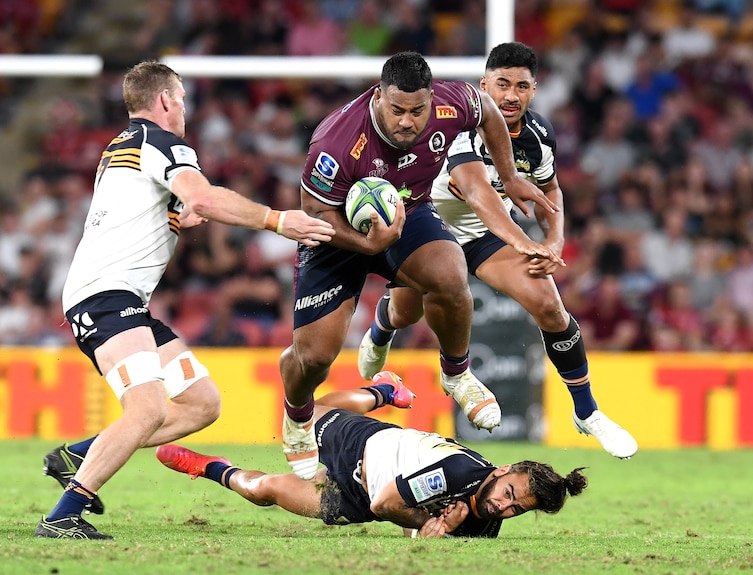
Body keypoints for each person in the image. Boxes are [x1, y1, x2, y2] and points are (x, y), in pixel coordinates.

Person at [35, 61, 336, 540]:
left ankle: (79, 453)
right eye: (182, 100)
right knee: (148, 409)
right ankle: (63, 515)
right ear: (166, 101)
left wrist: (196, 213)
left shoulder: (120, 148)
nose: (185, 110)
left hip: (123, 298)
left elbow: (175, 211)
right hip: (107, 296)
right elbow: (204, 200)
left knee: (201, 403)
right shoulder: (163, 144)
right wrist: (279, 221)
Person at [280, 51, 563, 480]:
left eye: (418, 110)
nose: (408, 122)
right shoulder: (336, 142)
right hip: (334, 234)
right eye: (397, 111)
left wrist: (507, 175)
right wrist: (365, 241)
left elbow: (485, 109)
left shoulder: (452, 103)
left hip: (407, 213)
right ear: (379, 98)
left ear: (432, 99)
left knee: (451, 276)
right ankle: (297, 417)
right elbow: (314, 213)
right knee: (314, 357)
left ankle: (457, 374)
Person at [358, 43, 637, 459]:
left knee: (549, 305)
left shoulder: (538, 137)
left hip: (483, 237)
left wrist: (553, 240)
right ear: (484, 86)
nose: (511, 95)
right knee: (405, 312)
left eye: (521, 86)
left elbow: (551, 189)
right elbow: (478, 191)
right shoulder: (454, 124)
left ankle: (587, 412)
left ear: (534, 90)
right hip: (428, 228)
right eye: (502, 84)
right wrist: (523, 241)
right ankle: (383, 324)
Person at [156, 372, 587, 539]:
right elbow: (396, 507)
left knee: (266, 490)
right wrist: (429, 525)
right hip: (364, 445)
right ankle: (384, 390)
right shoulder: (459, 473)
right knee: (307, 413)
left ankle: (208, 468)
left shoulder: (486, 527)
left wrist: (435, 537)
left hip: (360, 499)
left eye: (516, 508)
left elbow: (389, 513)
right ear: (504, 471)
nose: (503, 506)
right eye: (509, 492)